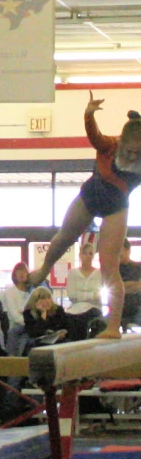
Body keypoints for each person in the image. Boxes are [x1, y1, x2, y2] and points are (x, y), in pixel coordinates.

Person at [29, 94, 141, 338]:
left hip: (116, 208)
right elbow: (93, 135)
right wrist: (89, 114)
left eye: (138, 153)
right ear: (122, 143)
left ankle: (113, 327)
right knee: (64, 237)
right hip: (89, 197)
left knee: (109, 267)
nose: (134, 157)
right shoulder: (109, 146)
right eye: (131, 152)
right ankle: (44, 269)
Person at [65, 243, 104, 340]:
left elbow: (98, 295)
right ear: (80, 255)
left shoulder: (99, 273)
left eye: (90, 254)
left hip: (93, 309)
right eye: (85, 253)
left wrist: (80, 295)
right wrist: (91, 295)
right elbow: (71, 295)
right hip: (75, 309)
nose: (87, 256)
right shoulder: (72, 273)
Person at [119, 238, 141, 329]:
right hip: (119, 308)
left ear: (128, 250)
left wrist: (124, 285)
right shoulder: (115, 269)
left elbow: (140, 287)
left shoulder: (138, 267)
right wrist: (134, 284)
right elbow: (116, 288)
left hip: (137, 307)